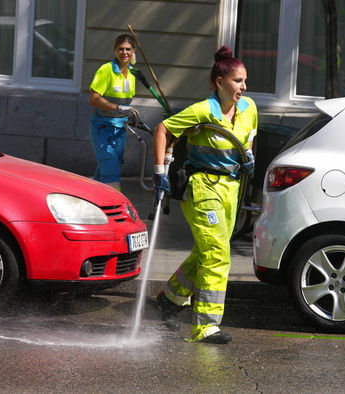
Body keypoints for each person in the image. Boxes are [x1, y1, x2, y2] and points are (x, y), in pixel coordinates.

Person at [152, 46, 257, 344]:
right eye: (238, 81)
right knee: (218, 255)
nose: (244, 87)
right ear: (220, 82)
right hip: (202, 188)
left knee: (206, 252)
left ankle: (170, 298)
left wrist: (247, 155)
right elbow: (162, 130)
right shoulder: (202, 111)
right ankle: (206, 325)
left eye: (244, 81)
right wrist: (159, 171)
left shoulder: (249, 108)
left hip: (231, 189)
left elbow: (249, 137)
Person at [89, 34, 140, 191]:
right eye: (121, 49)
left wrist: (129, 114)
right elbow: (94, 99)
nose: (124, 53)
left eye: (128, 49)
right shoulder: (106, 70)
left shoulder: (132, 74)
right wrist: (117, 108)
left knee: (105, 170)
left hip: (120, 130)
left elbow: (125, 101)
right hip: (103, 129)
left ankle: (92, 199)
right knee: (112, 172)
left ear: (133, 51)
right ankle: (115, 209)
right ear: (115, 50)